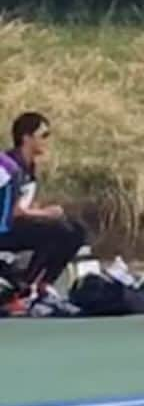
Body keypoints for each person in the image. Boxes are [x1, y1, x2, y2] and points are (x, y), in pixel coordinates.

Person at [0, 112, 86, 299]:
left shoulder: (30, 167)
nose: (47, 141)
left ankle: (44, 283)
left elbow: (25, 203)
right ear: (26, 138)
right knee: (55, 229)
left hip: (16, 225)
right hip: (4, 230)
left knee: (77, 229)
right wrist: (45, 213)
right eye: (43, 136)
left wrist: (41, 212)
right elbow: (14, 212)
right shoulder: (8, 166)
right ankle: (24, 286)